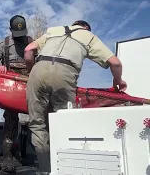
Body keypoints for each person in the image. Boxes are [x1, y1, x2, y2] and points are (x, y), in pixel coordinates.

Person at [24, 20, 127, 172]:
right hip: (64, 74)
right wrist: (118, 81)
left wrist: (32, 72)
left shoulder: (54, 30)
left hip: (38, 71)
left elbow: (28, 50)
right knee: (64, 123)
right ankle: (63, 170)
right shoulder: (88, 36)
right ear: (86, 28)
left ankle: (45, 169)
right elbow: (116, 63)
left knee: (37, 124)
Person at [0, 15, 34, 174]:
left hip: (30, 86)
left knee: (37, 117)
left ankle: (36, 152)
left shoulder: (33, 43)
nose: (20, 38)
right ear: (11, 30)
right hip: (11, 88)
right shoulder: (3, 45)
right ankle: (8, 156)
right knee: (11, 119)